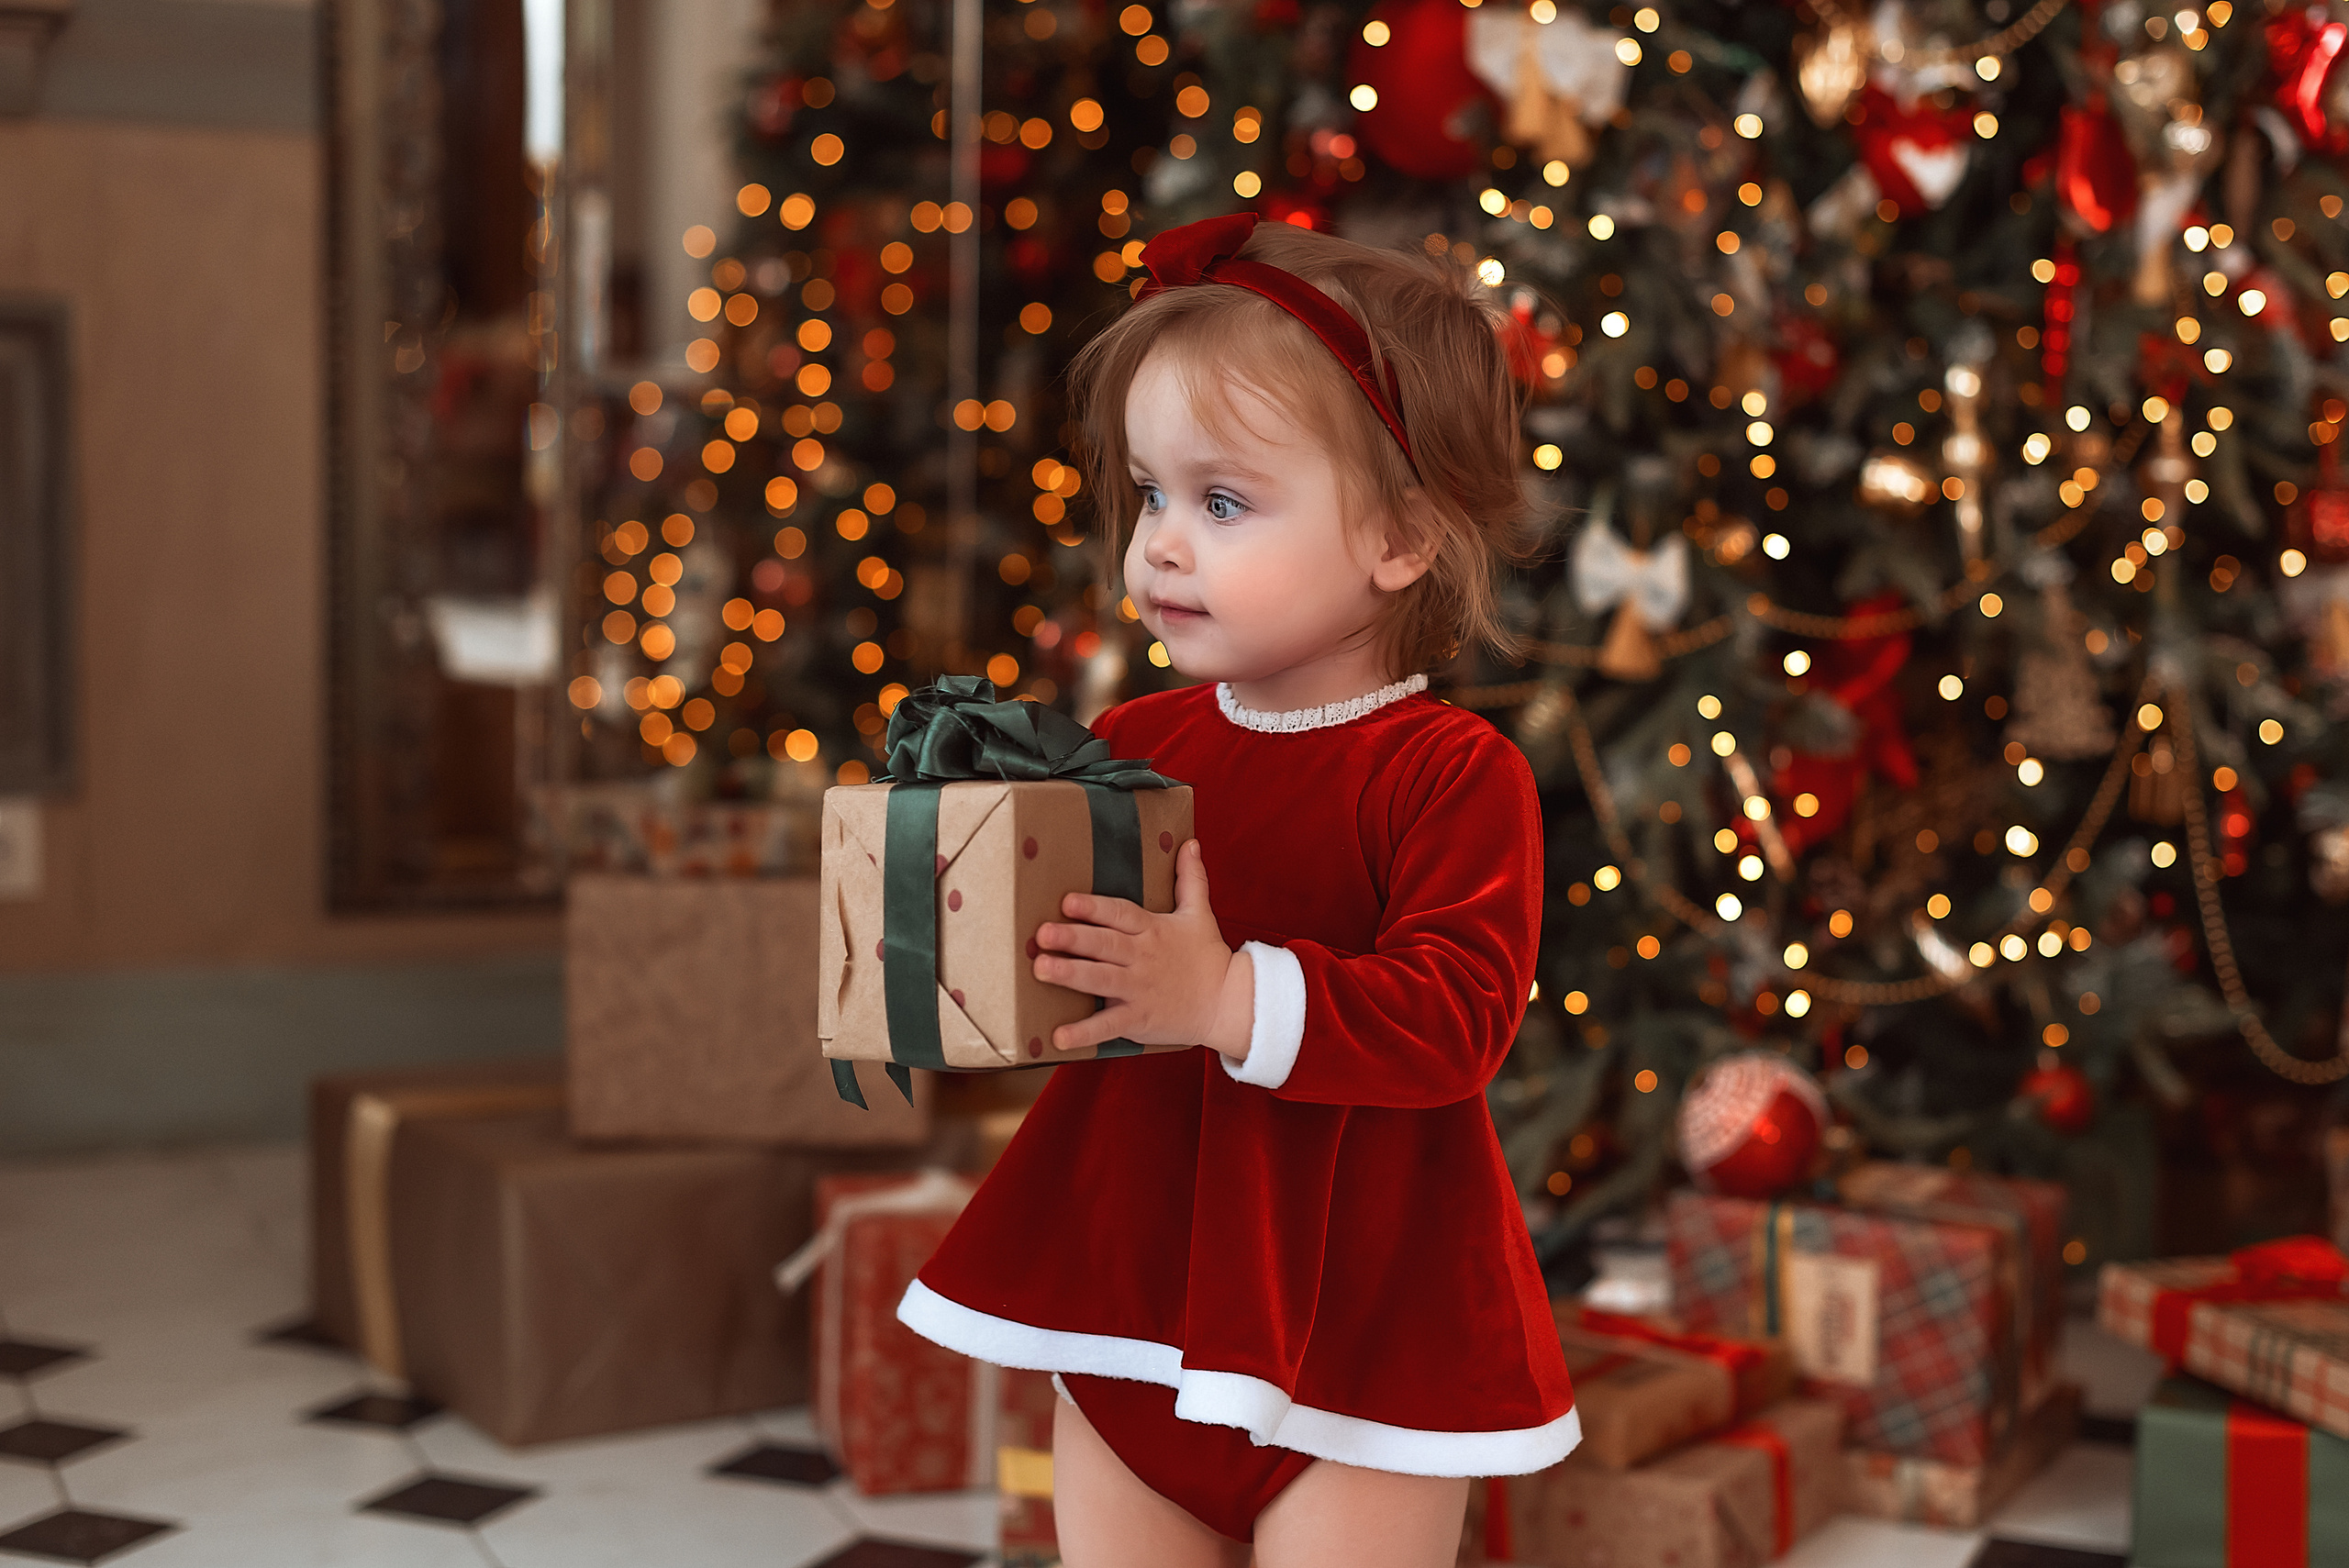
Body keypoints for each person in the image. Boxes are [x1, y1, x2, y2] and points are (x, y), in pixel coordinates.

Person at [896, 213, 1577, 1567]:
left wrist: (1222, 996)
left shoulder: (1449, 773)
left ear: (1397, 538)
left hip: (1360, 1333)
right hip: (1135, 1289)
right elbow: (1063, 970)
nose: (1157, 544)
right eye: (1149, 493)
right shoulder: (1140, 748)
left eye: (1221, 503)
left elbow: (1458, 1015)